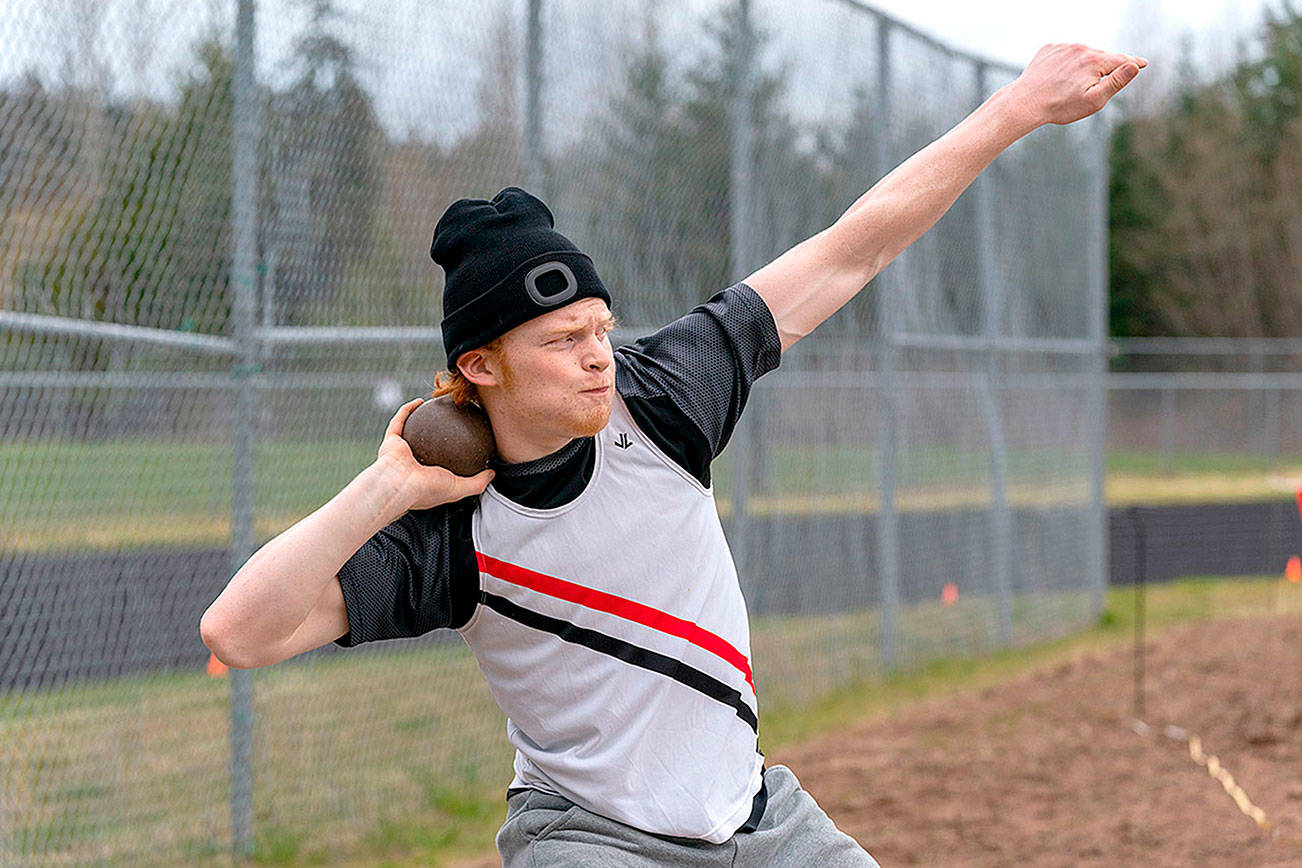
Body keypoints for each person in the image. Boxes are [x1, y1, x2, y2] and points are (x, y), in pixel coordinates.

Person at [201, 43, 1145, 866]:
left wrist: (1018, 108)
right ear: (480, 365)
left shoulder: (662, 397)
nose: (597, 356)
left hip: (756, 818)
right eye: (562, 340)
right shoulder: (452, 533)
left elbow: (851, 251)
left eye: (600, 327)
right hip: (590, 838)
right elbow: (238, 634)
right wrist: (382, 490)